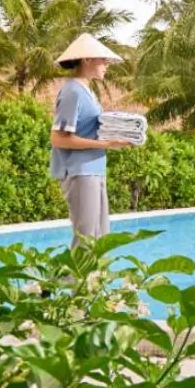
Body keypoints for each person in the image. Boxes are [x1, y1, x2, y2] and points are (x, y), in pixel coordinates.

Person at [50, 33, 133, 248]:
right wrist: (105, 144)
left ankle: (91, 273)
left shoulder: (87, 91)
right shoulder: (72, 92)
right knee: (86, 238)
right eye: (103, 60)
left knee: (100, 236)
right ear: (86, 59)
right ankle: (73, 272)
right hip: (80, 171)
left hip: (94, 169)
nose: (107, 65)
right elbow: (58, 138)